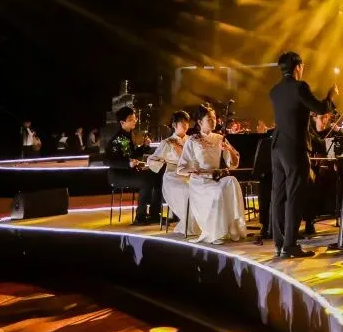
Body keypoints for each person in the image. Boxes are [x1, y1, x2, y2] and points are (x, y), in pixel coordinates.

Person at [268, 51, 336, 259]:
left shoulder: (275, 90)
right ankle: (290, 246)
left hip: (277, 145)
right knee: (294, 196)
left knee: (278, 196)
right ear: (298, 67)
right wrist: (330, 96)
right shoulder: (300, 87)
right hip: (294, 146)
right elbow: (320, 108)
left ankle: (279, 243)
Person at [176, 104, 247, 244]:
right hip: (200, 182)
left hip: (215, 178)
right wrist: (192, 171)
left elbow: (233, 164)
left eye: (214, 118)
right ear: (199, 122)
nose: (213, 121)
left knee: (232, 181)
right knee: (218, 190)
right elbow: (181, 168)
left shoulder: (220, 138)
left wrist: (229, 150)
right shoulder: (192, 140)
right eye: (209, 118)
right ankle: (215, 232)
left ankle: (233, 227)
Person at [106, 106, 162, 224]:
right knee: (146, 180)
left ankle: (154, 214)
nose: (134, 121)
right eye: (131, 119)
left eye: (134, 118)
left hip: (129, 173)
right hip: (118, 175)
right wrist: (127, 164)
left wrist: (145, 146)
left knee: (157, 176)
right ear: (122, 122)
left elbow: (133, 154)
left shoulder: (130, 135)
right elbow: (107, 161)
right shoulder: (116, 140)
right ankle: (140, 217)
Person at [146, 110, 194, 234]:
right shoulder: (167, 142)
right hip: (173, 176)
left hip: (190, 174)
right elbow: (153, 159)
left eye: (187, 123)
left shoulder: (191, 140)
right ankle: (188, 221)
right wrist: (161, 160)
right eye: (182, 123)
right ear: (174, 125)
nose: (185, 125)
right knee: (186, 189)